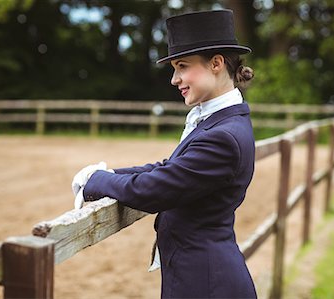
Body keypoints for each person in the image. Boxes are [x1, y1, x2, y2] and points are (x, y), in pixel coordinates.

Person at [72, 9, 257, 298]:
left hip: (207, 284)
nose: (175, 79)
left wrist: (95, 181)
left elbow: (154, 190)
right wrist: (110, 174)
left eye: (182, 66)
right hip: (196, 276)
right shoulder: (219, 122)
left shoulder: (222, 136)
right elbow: (171, 168)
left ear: (217, 63)